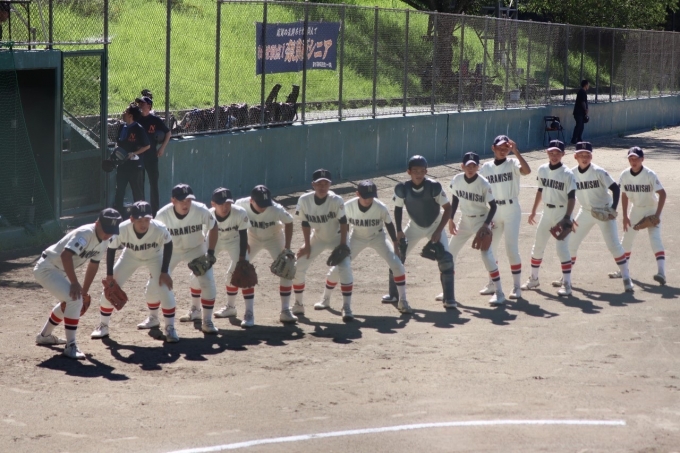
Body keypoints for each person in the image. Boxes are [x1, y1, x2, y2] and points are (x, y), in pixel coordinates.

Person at [34, 208, 122, 359]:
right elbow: (65, 255)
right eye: (106, 229)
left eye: (111, 231)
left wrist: (84, 291)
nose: (108, 234)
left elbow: (93, 265)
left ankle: (44, 336)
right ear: (97, 223)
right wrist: (75, 283)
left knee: (73, 299)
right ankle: (71, 346)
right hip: (47, 268)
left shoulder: (105, 240)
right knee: (74, 299)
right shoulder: (85, 234)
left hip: (58, 269)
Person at [91, 201, 179, 342]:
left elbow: (169, 244)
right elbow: (111, 249)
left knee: (164, 287)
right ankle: (103, 325)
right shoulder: (122, 228)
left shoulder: (159, 228)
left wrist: (164, 272)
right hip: (130, 256)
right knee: (110, 288)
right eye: (139, 220)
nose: (143, 223)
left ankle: (170, 327)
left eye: (147, 219)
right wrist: (109, 276)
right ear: (131, 219)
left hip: (155, 256)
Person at [322, 180, 413, 314]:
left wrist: (395, 245)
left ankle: (403, 300)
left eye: (371, 196)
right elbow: (344, 225)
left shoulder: (380, 207)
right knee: (339, 267)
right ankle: (325, 299)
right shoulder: (348, 206)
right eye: (365, 196)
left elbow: (389, 224)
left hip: (378, 238)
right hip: (356, 238)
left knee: (397, 264)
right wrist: (344, 244)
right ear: (357, 194)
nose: (368, 200)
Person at [139, 184, 220, 334]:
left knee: (208, 280)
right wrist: (154, 263)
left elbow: (213, 226)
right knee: (154, 283)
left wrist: (210, 252)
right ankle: (153, 317)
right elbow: (154, 238)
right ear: (173, 201)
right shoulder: (163, 214)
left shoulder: (200, 209)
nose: (185, 204)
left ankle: (207, 320)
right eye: (181, 200)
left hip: (196, 248)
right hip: (171, 251)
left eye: (188, 200)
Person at [553, 142, 633, 293]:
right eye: (581, 155)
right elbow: (568, 196)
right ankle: (566, 278)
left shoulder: (598, 171)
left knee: (613, 245)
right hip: (585, 211)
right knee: (571, 244)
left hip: (604, 211)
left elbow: (615, 189)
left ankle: (626, 277)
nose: (584, 158)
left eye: (587, 155)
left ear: (591, 156)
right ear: (575, 156)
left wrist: (612, 209)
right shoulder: (571, 173)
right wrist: (566, 217)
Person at [381, 155, 455, 308]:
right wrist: (399, 231)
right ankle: (393, 295)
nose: (418, 174)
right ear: (408, 172)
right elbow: (398, 208)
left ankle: (449, 298)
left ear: (426, 171)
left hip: (435, 225)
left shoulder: (434, 186)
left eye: (422, 171)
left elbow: (448, 209)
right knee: (397, 256)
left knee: (446, 260)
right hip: (414, 226)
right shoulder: (402, 188)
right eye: (415, 171)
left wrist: (438, 231)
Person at [292, 169, 354, 321]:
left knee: (345, 267)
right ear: (313, 184)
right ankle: (298, 304)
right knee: (299, 265)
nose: (323, 187)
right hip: (318, 238)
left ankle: (346, 307)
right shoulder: (304, 200)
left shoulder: (336, 200)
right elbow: (305, 223)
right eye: (319, 183)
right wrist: (307, 245)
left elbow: (344, 222)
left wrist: (343, 245)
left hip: (338, 238)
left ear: (330, 185)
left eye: (326, 183)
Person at [233, 185, 299, 324]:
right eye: (260, 204)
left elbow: (289, 221)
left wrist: (287, 247)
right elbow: (234, 222)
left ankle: (285, 310)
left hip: (274, 237)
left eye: (266, 203)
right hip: (252, 238)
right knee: (240, 268)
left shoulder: (276, 208)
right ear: (251, 201)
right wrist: (242, 242)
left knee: (287, 269)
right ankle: (241, 310)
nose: (264, 207)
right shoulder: (240, 205)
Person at [446, 152, 505, 305]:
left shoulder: (483, 183)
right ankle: (448, 291)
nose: (470, 168)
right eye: (468, 165)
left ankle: (499, 292)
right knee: (449, 253)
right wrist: (450, 219)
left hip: (481, 221)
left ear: (478, 167)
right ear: (462, 166)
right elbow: (455, 199)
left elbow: (493, 206)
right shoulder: (457, 179)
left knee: (486, 255)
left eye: (473, 166)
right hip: (464, 221)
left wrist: (486, 224)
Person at [478, 135, 531, 299]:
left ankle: (516, 287)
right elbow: (480, 190)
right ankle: (492, 284)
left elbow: (527, 171)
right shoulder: (486, 167)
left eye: (506, 148)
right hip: (494, 211)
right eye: (500, 147)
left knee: (511, 249)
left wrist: (516, 152)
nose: (503, 150)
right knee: (490, 249)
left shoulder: (513, 163)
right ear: (493, 148)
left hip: (511, 209)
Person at [521, 140, 577, 296]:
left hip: (562, 213)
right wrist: (533, 211)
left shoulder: (567, 173)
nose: (554, 155)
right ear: (547, 152)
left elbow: (572, 197)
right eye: (551, 152)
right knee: (538, 245)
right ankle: (534, 279)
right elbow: (540, 190)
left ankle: (567, 284)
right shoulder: (542, 169)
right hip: (546, 212)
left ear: (563, 154)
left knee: (562, 249)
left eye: (557, 153)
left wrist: (567, 217)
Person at [190, 188, 252, 328]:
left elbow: (243, 235)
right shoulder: (208, 215)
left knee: (245, 271)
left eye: (228, 203)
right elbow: (202, 237)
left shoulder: (239, 213)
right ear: (213, 204)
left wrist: (242, 258)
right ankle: (196, 310)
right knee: (198, 271)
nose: (225, 207)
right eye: (221, 204)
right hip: (214, 240)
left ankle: (248, 312)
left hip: (235, 240)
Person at [608, 147, 667, 285]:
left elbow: (663, 194)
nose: (633, 161)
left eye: (636, 158)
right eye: (631, 158)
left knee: (655, 239)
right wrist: (625, 216)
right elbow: (624, 195)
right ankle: (623, 271)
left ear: (642, 159)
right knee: (626, 240)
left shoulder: (649, 174)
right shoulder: (624, 175)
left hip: (652, 208)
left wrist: (657, 215)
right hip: (635, 210)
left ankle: (661, 273)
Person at [136, 95, 171, 216]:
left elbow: (168, 133)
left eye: (143, 103)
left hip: (151, 156)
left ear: (149, 106)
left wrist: (162, 147)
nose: (140, 105)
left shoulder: (155, 120)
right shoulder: (137, 119)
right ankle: (141, 211)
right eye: (139, 103)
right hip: (139, 156)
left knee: (154, 184)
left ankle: (155, 212)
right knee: (140, 185)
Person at [113, 104, 149, 216]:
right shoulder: (122, 127)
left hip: (135, 167)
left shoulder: (138, 129)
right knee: (119, 191)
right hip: (122, 166)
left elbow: (147, 146)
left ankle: (142, 215)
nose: (123, 113)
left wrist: (134, 153)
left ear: (130, 115)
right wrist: (117, 151)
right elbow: (118, 142)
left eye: (126, 111)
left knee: (138, 193)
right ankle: (118, 216)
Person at [571, 79, 589, 145]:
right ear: (585, 85)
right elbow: (582, 102)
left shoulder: (583, 92)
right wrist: (585, 109)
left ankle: (579, 138)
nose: (588, 86)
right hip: (578, 112)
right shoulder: (582, 92)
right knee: (578, 125)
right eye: (588, 85)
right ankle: (574, 139)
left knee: (581, 126)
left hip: (581, 113)